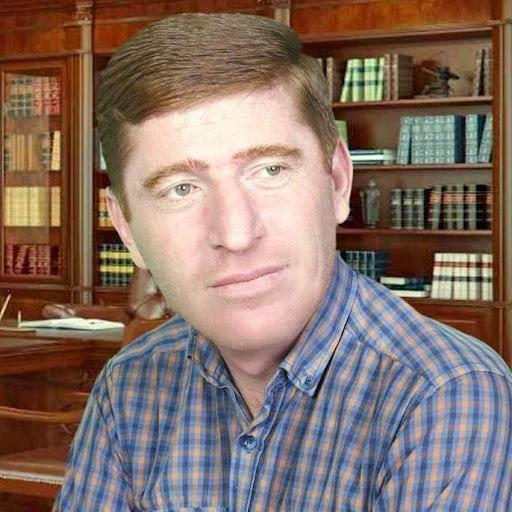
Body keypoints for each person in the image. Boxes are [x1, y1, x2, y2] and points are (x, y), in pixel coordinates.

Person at [55, 13, 512, 511]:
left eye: (270, 170)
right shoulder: (129, 384)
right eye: (180, 189)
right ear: (127, 230)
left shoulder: (448, 393)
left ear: (338, 183)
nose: (236, 234)